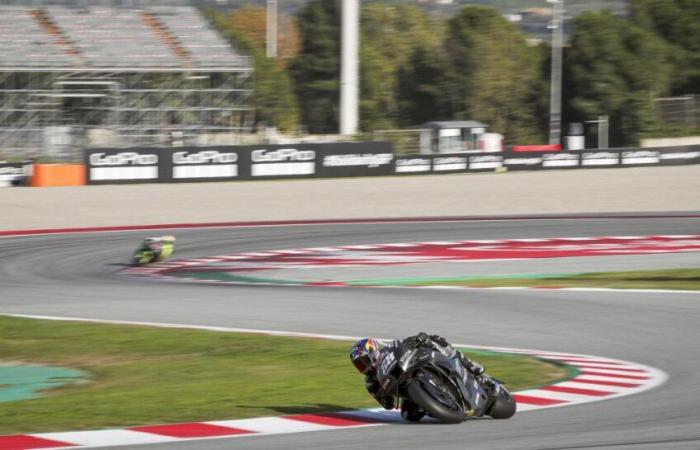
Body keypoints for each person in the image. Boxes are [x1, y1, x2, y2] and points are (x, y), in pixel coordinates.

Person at [349, 332, 489, 422]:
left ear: (373, 351)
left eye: (364, 362)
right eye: (359, 365)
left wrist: (418, 340)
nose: (363, 367)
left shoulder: (389, 347)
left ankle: (469, 365)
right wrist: (382, 393)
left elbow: (403, 344)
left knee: (434, 340)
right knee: (408, 416)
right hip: (407, 389)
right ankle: (435, 404)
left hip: (415, 363)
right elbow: (388, 405)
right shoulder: (371, 383)